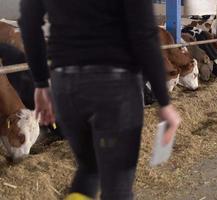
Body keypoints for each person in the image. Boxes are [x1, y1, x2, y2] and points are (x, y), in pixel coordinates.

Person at [18, 0, 181, 199]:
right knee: (118, 182)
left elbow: (28, 23)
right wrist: (164, 101)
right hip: (115, 85)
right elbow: (144, 36)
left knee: (89, 169)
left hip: (65, 83)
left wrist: (41, 83)